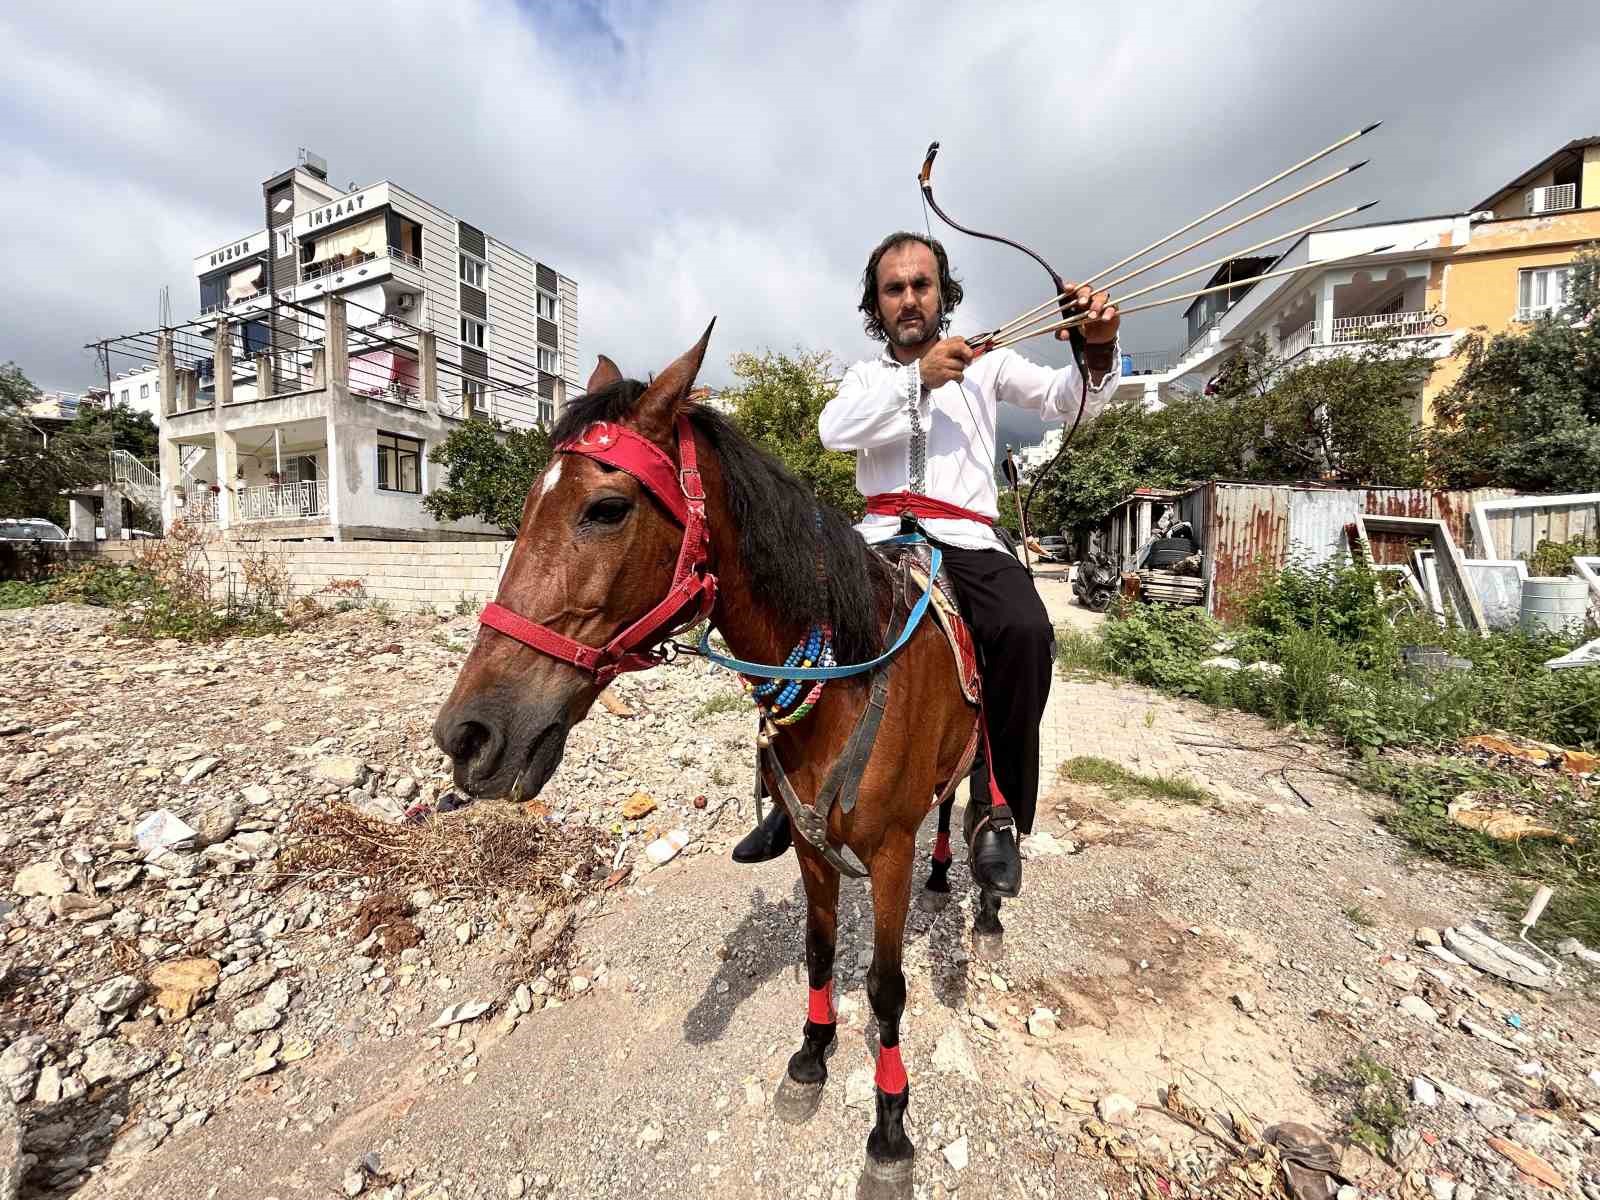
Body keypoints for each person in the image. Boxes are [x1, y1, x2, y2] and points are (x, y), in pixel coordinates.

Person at [732, 231, 1121, 894]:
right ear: (876, 304)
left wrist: (1098, 344)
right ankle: (783, 784)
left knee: (1024, 634)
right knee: (791, 619)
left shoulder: (989, 364)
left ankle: (996, 809)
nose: (909, 298)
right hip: (878, 538)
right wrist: (917, 380)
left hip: (966, 538)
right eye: (894, 288)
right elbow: (834, 431)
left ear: (943, 293)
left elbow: (1072, 399)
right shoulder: (866, 377)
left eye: (921, 284)